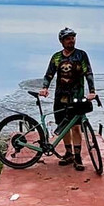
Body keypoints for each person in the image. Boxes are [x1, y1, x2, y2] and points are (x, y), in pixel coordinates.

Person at [38, 27, 96, 170]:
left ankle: (77, 157)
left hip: (76, 97)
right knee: (63, 126)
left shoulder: (81, 55)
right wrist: (45, 87)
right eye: (68, 38)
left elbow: (88, 73)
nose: (72, 40)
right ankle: (68, 153)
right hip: (60, 97)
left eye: (73, 37)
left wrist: (92, 91)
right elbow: (49, 74)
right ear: (62, 41)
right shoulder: (57, 57)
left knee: (76, 127)